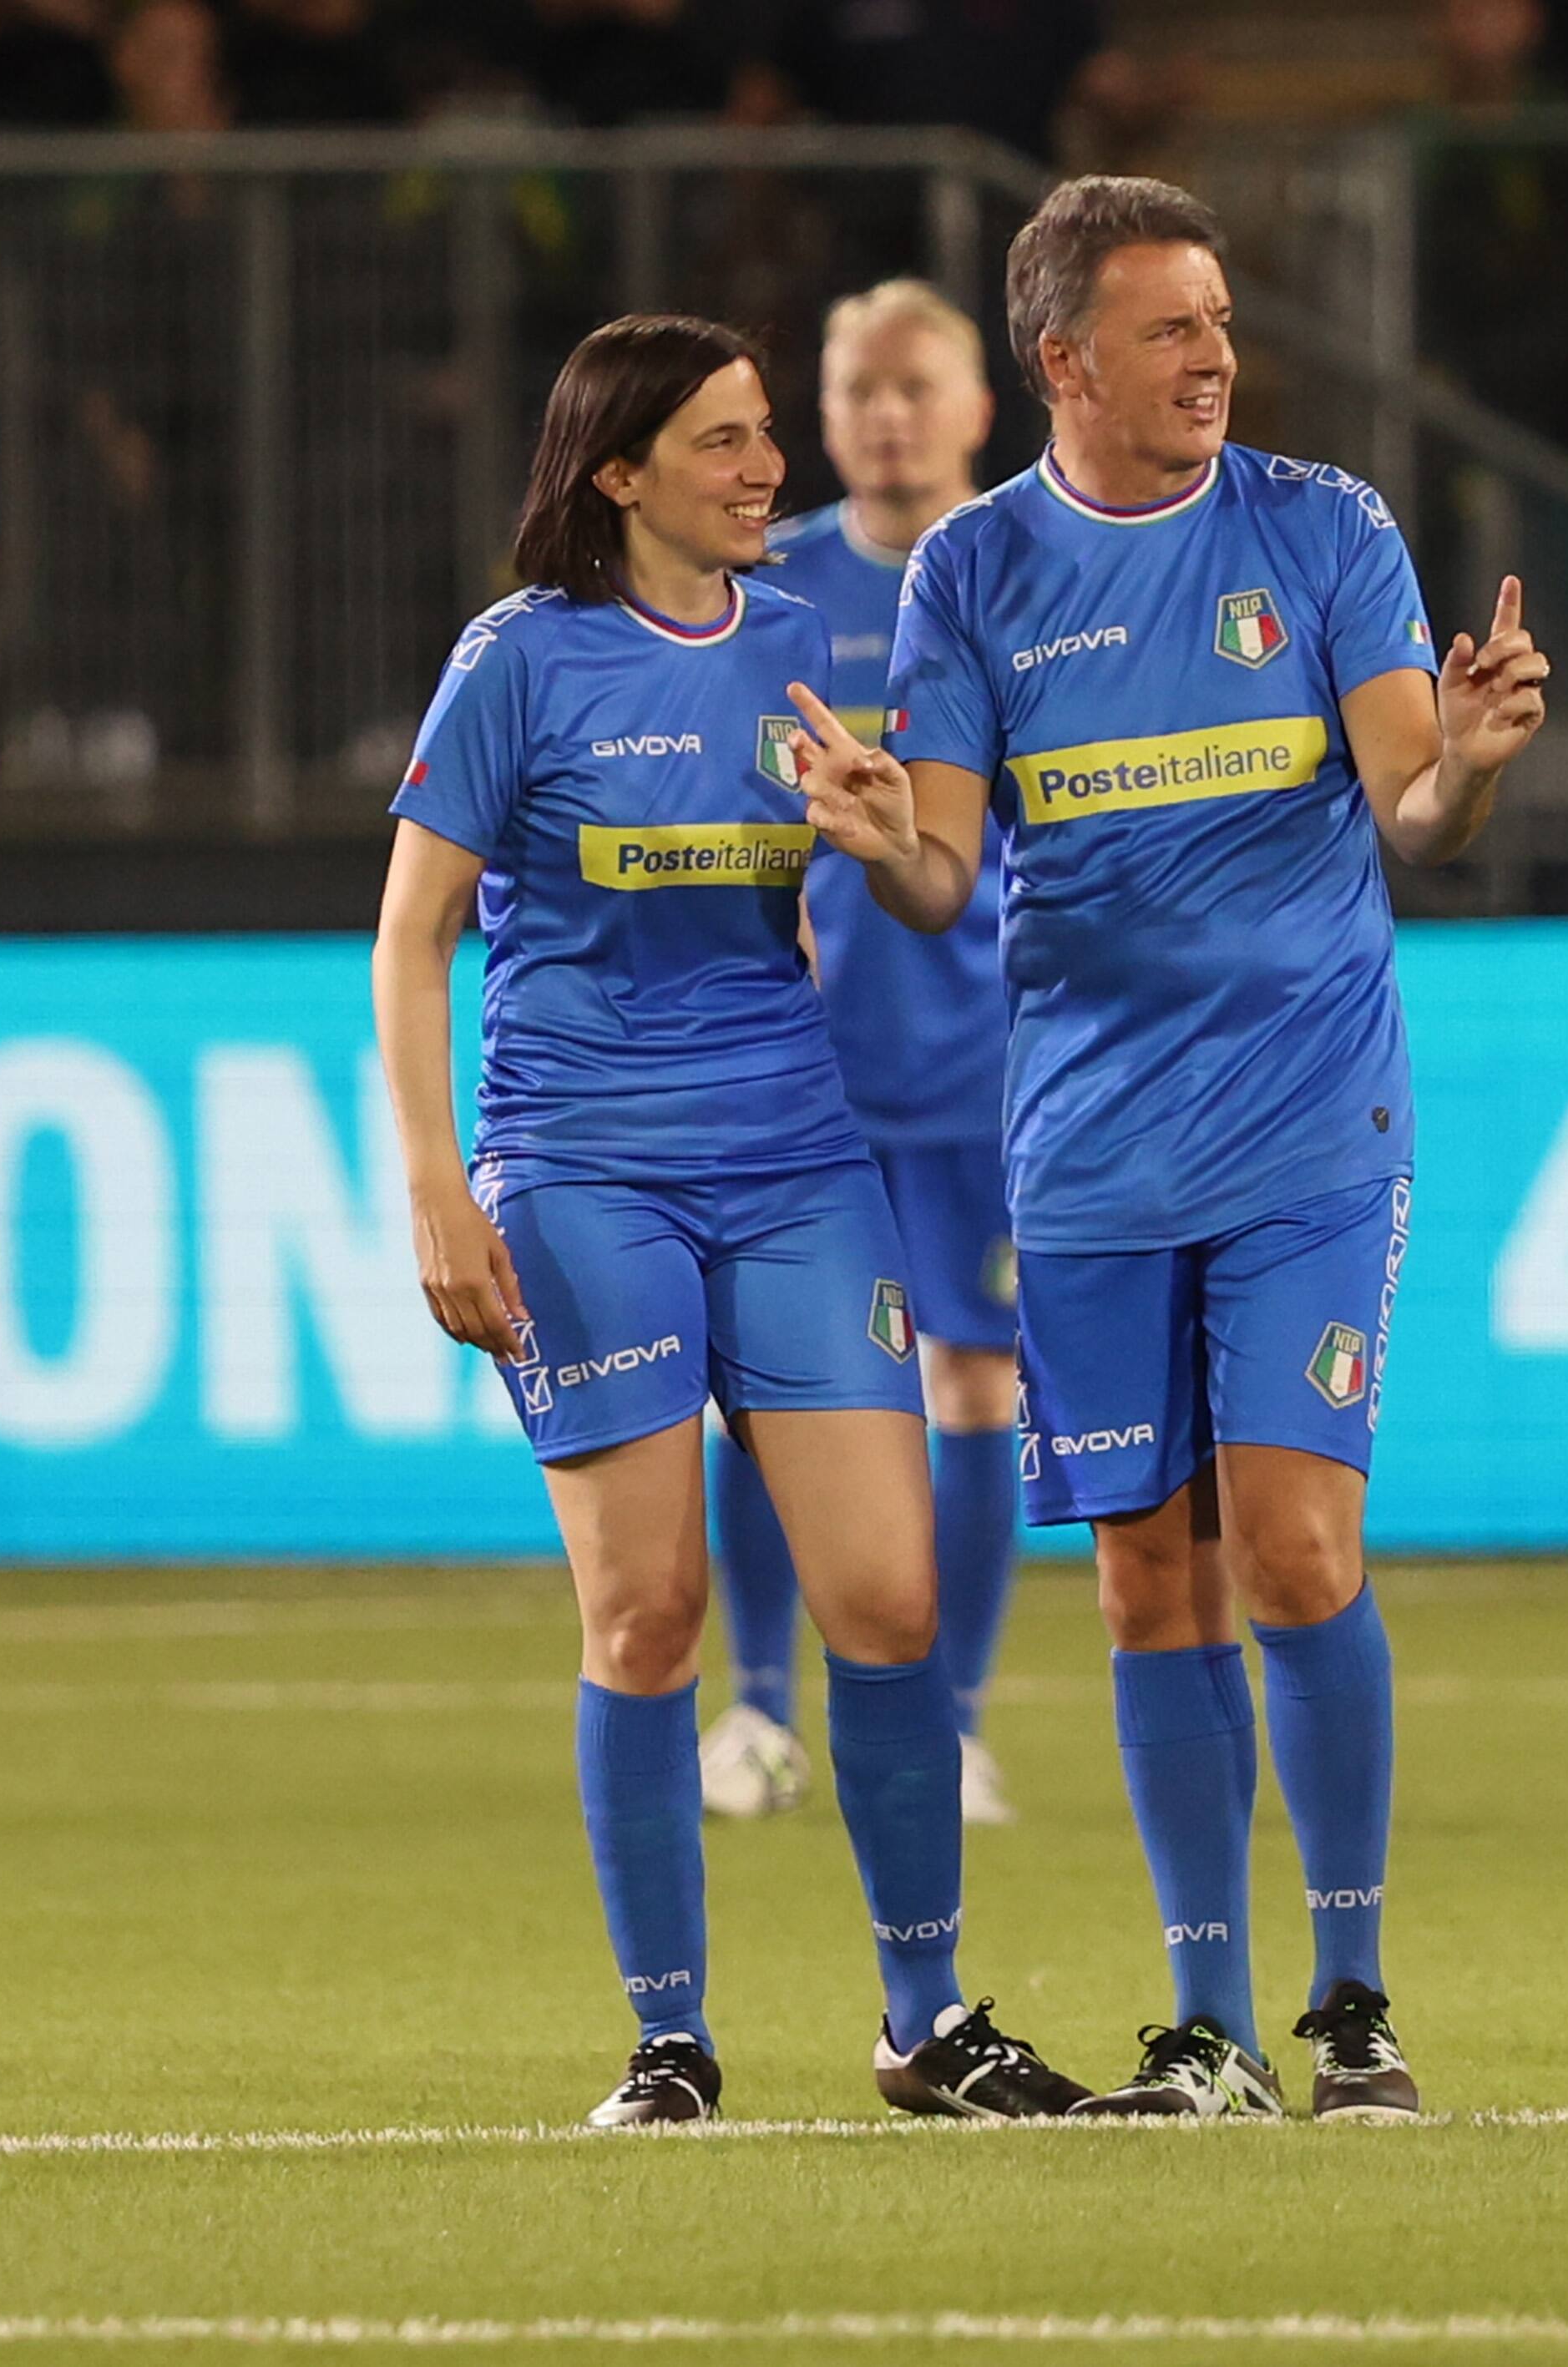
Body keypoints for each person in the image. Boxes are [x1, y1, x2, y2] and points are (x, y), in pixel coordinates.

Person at [787, 174, 1550, 2122]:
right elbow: (950, 864)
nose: (1214, 355)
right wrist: (882, 844)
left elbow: (1409, 809)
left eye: (1219, 321)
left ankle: (1351, 1995)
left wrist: (1459, 755)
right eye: (1170, 327)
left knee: (1295, 1546)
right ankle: (1204, 2021)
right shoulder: (973, 572)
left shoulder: (1319, 529)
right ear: (1062, 360)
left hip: (1308, 1121)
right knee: (1146, 1578)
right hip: (1094, 1146)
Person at [372, 313, 1085, 2130]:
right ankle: (669, 2043)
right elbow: (410, 933)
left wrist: (876, 839)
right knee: (650, 1607)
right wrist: (441, 1188)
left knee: (888, 1596)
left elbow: (929, 891)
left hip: (793, 1155)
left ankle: (924, 2024)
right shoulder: (515, 666)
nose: (769, 467)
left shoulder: (785, 641)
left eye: (769, 433)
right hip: (584, 1167)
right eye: (724, 442)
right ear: (618, 473)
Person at [699, 279, 1021, 1832]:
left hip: (984, 1063)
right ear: (826, 418)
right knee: (768, 1391)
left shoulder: (1026, 576)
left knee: (972, 1385)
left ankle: (948, 1722)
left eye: (916, 388)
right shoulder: (770, 592)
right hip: (798, 1068)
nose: (887, 417)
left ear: (975, 408)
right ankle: (759, 1708)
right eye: (859, 392)